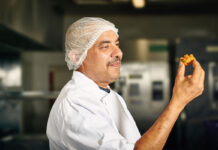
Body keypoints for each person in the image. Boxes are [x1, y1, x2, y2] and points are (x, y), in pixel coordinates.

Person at [46, 17, 205, 150]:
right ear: (76, 57)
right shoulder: (75, 105)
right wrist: (178, 102)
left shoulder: (109, 95)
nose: (118, 53)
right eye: (105, 46)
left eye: (117, 44)